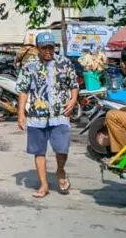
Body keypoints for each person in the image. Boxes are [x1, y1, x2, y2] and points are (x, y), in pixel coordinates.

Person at [16, 32, 79, 198]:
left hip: (60, 113)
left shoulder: (64, 63)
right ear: (38, 48)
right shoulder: (29, 65)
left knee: (62, 148)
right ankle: (44, 186)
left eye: (51, 47)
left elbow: (74, 84)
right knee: (39, 151)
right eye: (44, 48)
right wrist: (21, 114)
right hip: (37, 115)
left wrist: (73, 101)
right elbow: (23, 90)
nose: (48, 51)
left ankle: (60, 171)